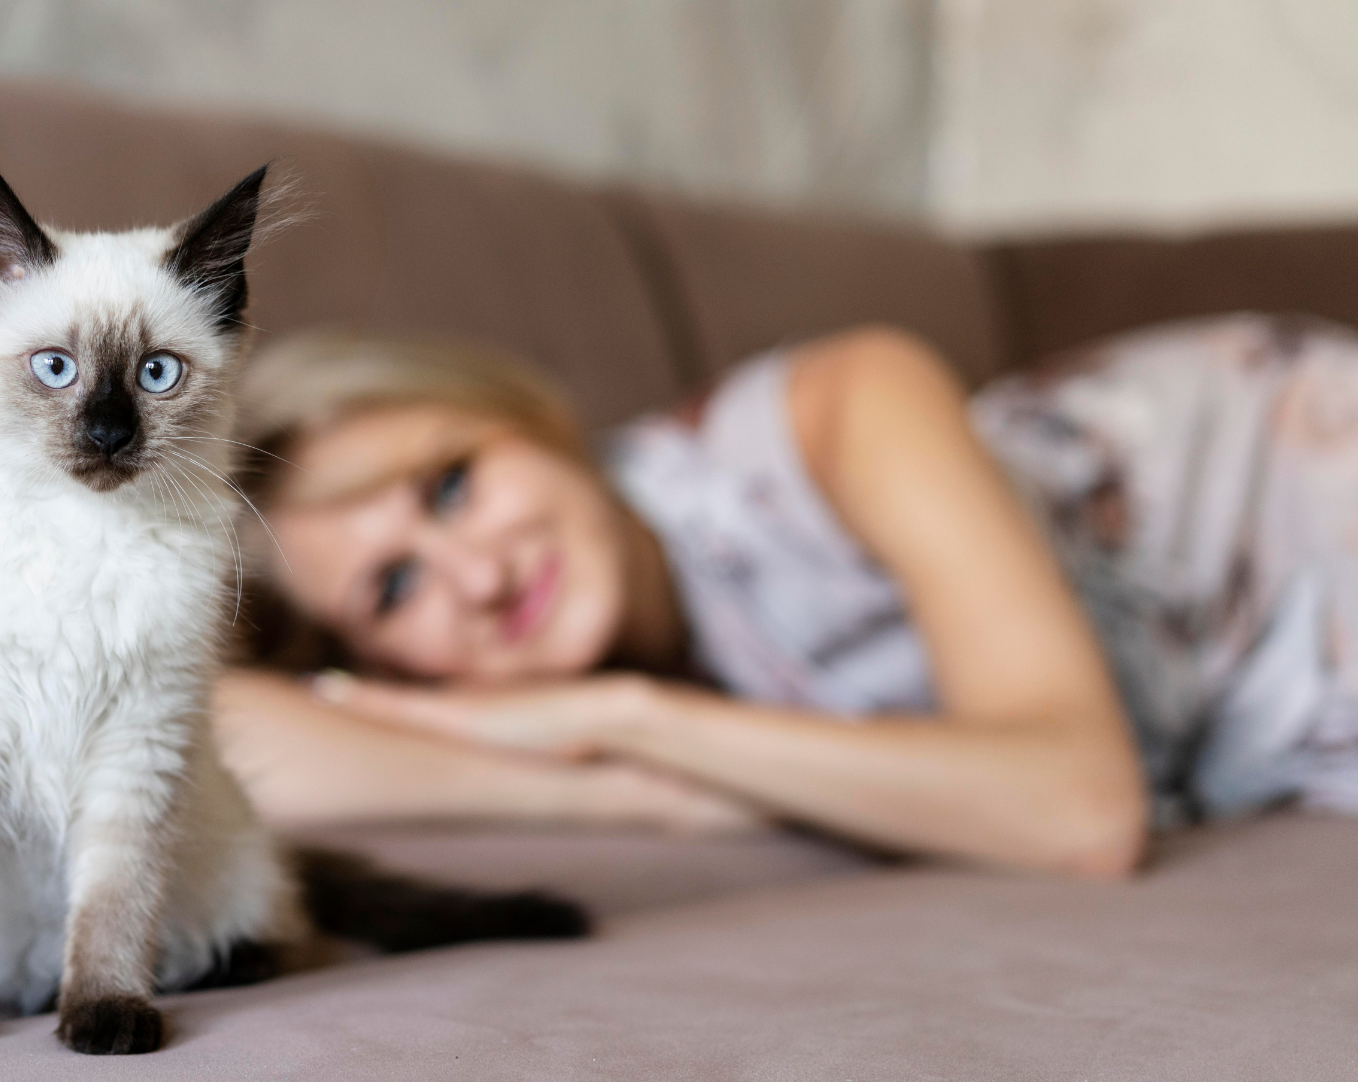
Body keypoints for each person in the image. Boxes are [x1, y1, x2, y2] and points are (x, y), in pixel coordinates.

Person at [210, 313, 1358, 878]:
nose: (479, 573)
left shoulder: (849, 403)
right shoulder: (577, 663)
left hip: (1308, 485)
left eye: (454, 483)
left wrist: (626, 724)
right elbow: (198, 728)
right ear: (384, 662)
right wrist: (633, 799)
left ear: (526, 419)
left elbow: (1080, 812)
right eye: (395, 586)